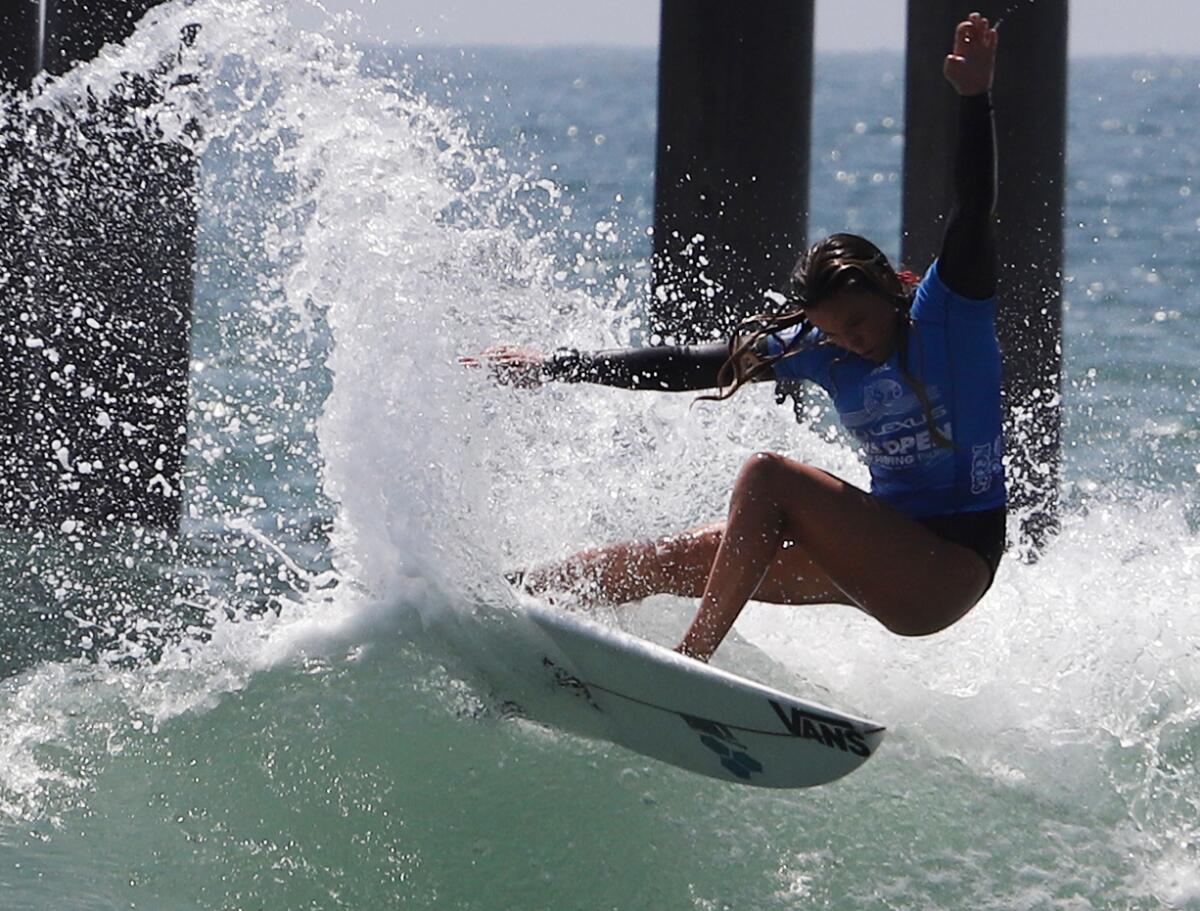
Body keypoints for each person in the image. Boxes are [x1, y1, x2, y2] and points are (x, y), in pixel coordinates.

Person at [463, 13, 1005, 662]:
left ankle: (690, 660)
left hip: (948, 568)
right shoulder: (823, 348)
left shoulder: (951, 312)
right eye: (836, 331)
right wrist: (557, 364)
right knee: (665, 558)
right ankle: (503, 608)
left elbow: (974, 207)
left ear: (888, 286)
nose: (853, 341)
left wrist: (974, 97)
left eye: (859, 321)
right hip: (878, 550)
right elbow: (689, 365)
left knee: (768, 476)